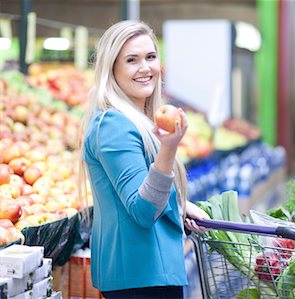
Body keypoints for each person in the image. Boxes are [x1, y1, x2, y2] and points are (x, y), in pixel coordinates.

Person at [77, 20, 210, 298]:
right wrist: (168, 149)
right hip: (140, 278)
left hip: (147, 273)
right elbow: (142, 210)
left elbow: (140, 190)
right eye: (131, 60)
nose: (145, 67)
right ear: (112, 69)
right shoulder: (113, 126)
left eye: (150, 57)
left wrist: (180, 205)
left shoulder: (134, 120)